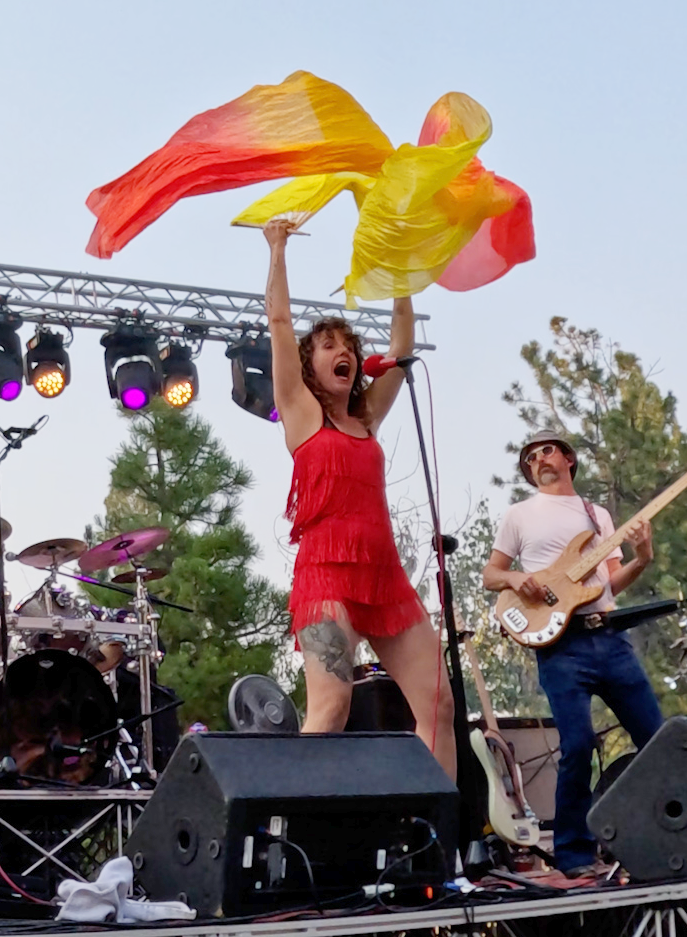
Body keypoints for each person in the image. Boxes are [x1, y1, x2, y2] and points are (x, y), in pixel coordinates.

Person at [262, 219, 457, 780]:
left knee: (439, 706)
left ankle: (433, 840)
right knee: (331, 707)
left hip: (385, 577)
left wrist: (401, 273)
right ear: (310, 365)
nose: (341, 352)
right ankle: (288, 829)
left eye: (348, 346)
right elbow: (278, 321)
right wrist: (277, 249)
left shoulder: (366, 417)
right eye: (328, 346)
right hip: (326, 577)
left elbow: (402, 346)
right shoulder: (302, 413)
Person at [481, 429, 664, 876]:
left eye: (546, 451)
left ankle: (667, 834)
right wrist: (515, 580)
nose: (538, 460)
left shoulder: (596, 514)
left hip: (611, 639)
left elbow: (609, 583)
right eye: (530, 457)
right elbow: (490, 573)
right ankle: (574, 853)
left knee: (659, 742)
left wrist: (642, 558)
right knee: (578, 744)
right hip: (562, 646)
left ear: (567, 459)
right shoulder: (519, 515)